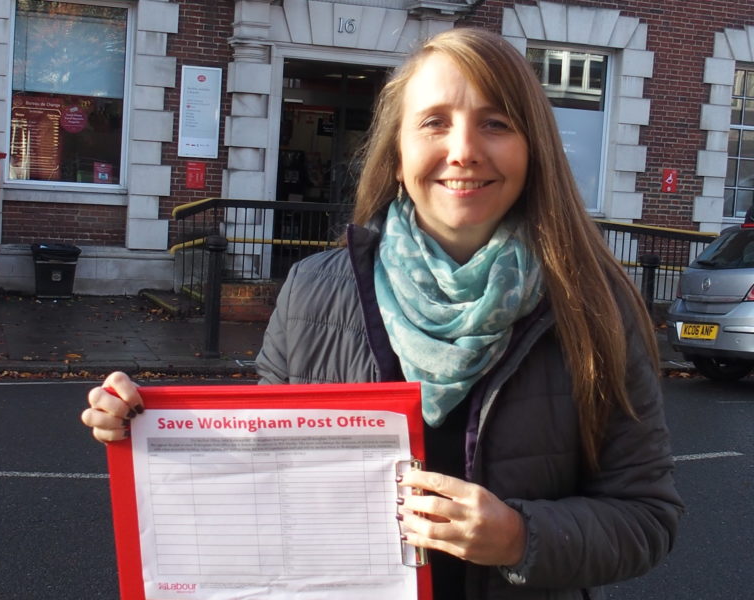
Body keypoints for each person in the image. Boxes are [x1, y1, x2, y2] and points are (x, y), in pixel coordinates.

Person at [83, 27, 683, 599]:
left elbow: (647, 518)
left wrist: (519, 538)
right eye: (434, 123)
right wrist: (146, 426)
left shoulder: (592, 303)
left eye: (496, 123)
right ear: (398, 154)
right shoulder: (312, 290)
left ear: (535, 151)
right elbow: (256, 472)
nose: (464, 150)